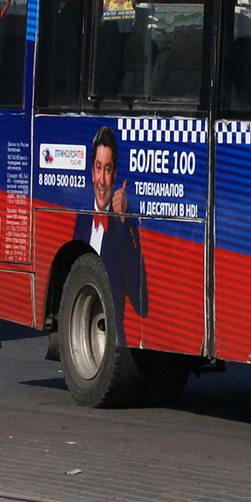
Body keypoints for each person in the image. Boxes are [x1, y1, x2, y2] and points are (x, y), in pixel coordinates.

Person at [72, 125, 148, 342]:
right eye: (98, 168)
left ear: (114, 176)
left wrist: (123, 222)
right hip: (86, 332)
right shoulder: (82, 219)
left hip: (114, 342)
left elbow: (141, 304)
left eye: (107, 169)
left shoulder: (124, 224)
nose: (102, 180)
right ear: (91, 172)